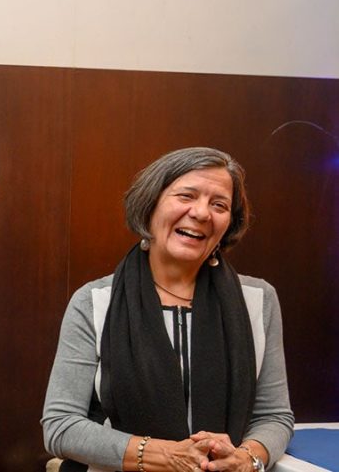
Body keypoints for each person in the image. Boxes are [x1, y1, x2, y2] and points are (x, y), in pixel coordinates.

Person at [41, 147, 293, 472]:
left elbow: (274, 416)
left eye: (219, 204)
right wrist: (166, 456)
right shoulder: (94, 301)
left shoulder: (258, 299)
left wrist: (246, 458)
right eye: (186, 195)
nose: (202, 213)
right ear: (150, 206)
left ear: (229, 224)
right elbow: (61, 426)